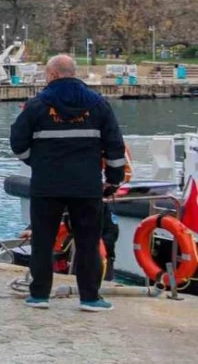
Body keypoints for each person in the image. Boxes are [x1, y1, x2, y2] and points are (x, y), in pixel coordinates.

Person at [11, 54, 126, 312]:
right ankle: (90, 298)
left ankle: (39, 295)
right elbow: (115, 147)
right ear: (73, 73)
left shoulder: (37, 105)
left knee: (42, 240)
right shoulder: (98, 105)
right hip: (86, 186)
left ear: (52, 75)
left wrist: (37, 163)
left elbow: (17, 143)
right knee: (88, 241)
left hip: (46, 185)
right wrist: (114, 180)